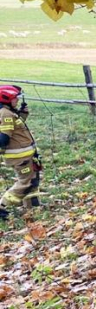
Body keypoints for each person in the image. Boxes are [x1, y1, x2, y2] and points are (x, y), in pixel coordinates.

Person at [0, 86, 41, 220]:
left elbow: (17, 129)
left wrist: (22, 115)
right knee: (25, 182)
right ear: (6, 99)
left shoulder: (10, 112)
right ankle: (2, 206)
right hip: (20, 157)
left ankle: (33, 206)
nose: (17, 100)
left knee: (33, 179)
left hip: (26, 154)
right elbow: (5, 136)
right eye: (14, 98)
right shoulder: (6, 114)